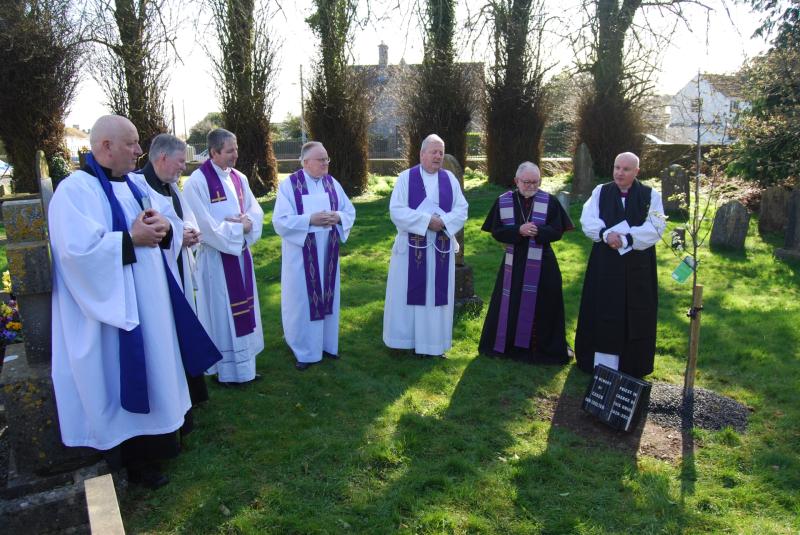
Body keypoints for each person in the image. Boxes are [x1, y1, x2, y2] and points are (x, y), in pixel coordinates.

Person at [49, 115, 220, 489]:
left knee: (160, 367)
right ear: (105, 146)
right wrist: (129, 239)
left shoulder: (135, 185)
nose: (139, 150)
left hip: (152, 304)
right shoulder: (75, 191)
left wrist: (167, 228)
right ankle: (135, 460)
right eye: (131, 143)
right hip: (115, 313)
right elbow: (76, 254)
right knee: (126, 376)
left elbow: (165, 224)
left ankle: (164, 439)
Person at [183, 128, 264, 385]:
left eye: (236, 149)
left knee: (245, 310)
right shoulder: (197, 182)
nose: (235, 155)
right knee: (221, 314)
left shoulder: (239, 178)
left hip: (240, 256)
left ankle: (246, 367)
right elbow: (203, 226)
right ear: (214, 152)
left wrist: (248, 223)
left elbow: (254, 211)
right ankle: (226, 372)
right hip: (216, 260)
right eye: (230, 151)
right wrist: (239, 229)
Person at [574, 152, 666, 378]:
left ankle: (632, 365)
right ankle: (599, 364)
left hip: (638, 266)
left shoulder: (650, 195)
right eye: (617, 168)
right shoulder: (600, 192)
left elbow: (655, 227)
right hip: (605, 263)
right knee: (602, 307)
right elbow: (588, 219)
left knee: (636, 311)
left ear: (637, 171)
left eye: (626, 169)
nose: (619, 173)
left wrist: (626, 239)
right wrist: (606, 234)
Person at [132, 133, 208, 409]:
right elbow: (147, 228)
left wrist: (190, 232)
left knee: (185, 326)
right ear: (162, 158)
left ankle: (192, 390)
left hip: (180, 266)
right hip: (160, 271)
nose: (183, 168)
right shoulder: (137, 186)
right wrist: (178, 235)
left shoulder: (171, 186)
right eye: (180, 162)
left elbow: (185, 218)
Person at [478, 162, 574, 363]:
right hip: (513, 262)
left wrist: (539, 231)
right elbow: (497, 231)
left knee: (544, 306)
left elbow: (557, 230)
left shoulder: (549, 201)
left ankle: (541, 349)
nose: (531, 186)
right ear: (516, 181)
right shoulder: (504, 201)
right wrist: (518, 231)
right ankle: (510, 346)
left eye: (535, 182)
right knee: (510, 305)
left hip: (543, 262)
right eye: (526, 182)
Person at [382, 134, 468, 357]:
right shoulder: (405, 178)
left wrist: (443, 222)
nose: (438, 156)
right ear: (422, 154)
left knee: (436, 298)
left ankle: (434, 344)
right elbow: (396, 211)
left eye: (441, 152)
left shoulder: (450, 179)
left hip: (440, 248)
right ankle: (405, 342)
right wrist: (426, 221)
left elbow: (462, 209)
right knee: (408, 295)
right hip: (410, 251)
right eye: (433, 152)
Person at [272, 142, 356, 370]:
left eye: (327, 159)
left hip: (328, 255)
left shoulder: (332, 183)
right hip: (301, 258)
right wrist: (310, 220)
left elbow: (349, 211)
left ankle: (327, 345)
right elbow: (280, 221)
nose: (325, 163)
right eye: (321, 159)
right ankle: (304, 351)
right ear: (306, 162)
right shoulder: (290, 186)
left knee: (328, 299)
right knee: (302, 302)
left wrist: (337, 217)